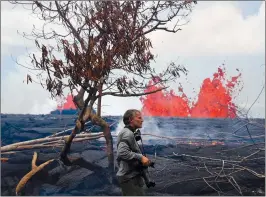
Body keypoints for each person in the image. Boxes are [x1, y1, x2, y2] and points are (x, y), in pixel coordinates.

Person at [116, 109, 154, 196]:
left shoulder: (129, 133)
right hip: (130, 178)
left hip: (133, 177)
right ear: (130, 119)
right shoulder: (127, 134)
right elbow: (122, 152)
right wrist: (141, 157)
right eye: (139, 118)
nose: (142, 120)